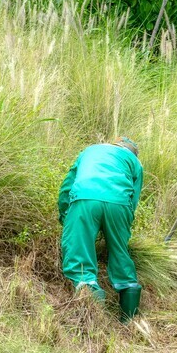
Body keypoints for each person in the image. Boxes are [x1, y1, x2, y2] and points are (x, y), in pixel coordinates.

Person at [58, 137, 143, 321]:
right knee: (120, 252)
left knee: (79, 256)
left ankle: (95, 320)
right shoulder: (135, 162)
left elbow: (67, 186)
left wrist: (65, 215)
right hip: (120, 204)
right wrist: (120, 227)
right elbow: (133, 199)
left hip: (85, 198)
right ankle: (128, 321)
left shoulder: (89, 151)